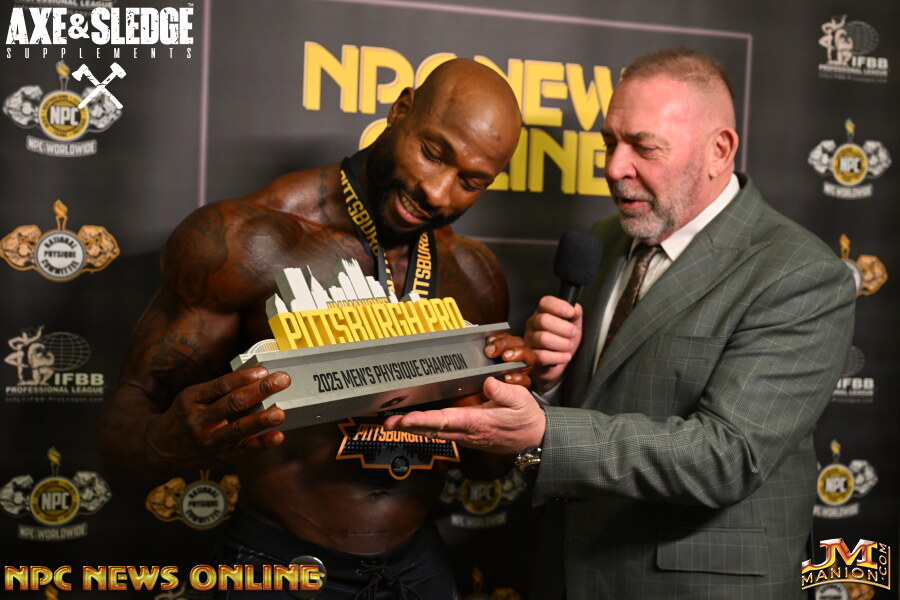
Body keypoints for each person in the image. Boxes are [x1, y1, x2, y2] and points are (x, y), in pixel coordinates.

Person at [383, 48, 857, 599]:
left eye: (644, 147)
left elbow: (729, 456)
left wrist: (546, 433)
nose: (613, 168)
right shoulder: (605, 241)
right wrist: (550, 378)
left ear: (719, 151)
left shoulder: (799, 273)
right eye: (610, 142)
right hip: (567, 572)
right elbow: (597, 401)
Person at [99, 58, 531, 599]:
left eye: (471, 182)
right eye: (433, 153)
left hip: (420, 568)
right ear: (401, 110)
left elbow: (488, 470)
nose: (439, 193)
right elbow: (123, 431)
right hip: (282, 566)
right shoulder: (248, 242)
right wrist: (167, 441)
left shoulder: (475, 274)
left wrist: (501, 400)